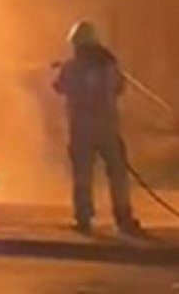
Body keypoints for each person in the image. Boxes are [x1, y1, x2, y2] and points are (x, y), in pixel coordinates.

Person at [53, 20, 142, 235]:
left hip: (81, 129)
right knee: (117, 173)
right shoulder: (108, 65)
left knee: (83, 175)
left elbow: (59, 87)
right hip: (107, 128)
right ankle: (123, 217)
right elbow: (120, 87)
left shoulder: (72, 67)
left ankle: (84, 218)